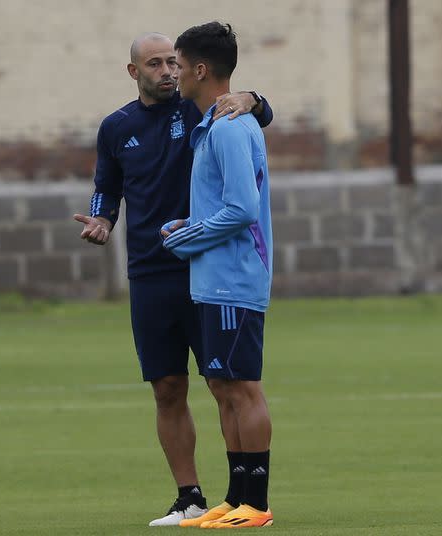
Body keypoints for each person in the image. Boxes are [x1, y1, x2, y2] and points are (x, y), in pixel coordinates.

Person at [72, 31, 273, 527]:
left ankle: (247, 498)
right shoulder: (117, 127)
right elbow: (106, 187)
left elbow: (256, 117)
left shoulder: (206, 113)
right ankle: (190, 496)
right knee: (166, 386)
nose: (167, 71)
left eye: (173, 62)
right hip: (150, 271)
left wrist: (254, 99)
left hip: (204, 266)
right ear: (134, 71)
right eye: (156, 63)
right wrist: (102, 220)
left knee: (225, 383)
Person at [161, 21, 274, 528]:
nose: (175, 76)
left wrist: (187, 237)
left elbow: (243, 210)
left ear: (201, 69)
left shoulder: (229, 127)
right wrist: (190, 223)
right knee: (221, 387)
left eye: (180, 67)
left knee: (243, 388)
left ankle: (258, 503)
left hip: (234, 278)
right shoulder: (213, 123)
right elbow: (222, 205)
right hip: (213, 277)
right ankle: (235, 496)